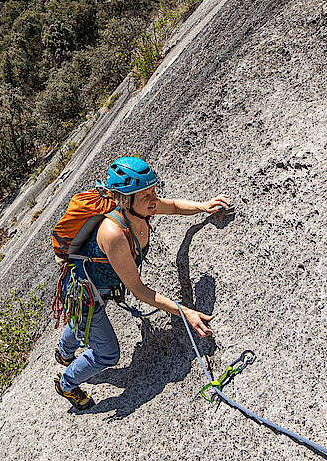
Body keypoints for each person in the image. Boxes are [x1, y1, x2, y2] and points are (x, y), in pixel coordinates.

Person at [53, 156, 231, 411]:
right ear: (126, 200)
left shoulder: (142, 207)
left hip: (95, 288)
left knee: (84, 320)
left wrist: (203, 207)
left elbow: (174, 207)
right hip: (85, 293)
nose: (153, 199)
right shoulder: (114, 233)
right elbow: (139, 290)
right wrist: (185, 312)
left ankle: (63, 351)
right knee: (107, 354)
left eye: (153, 191)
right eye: (146, 194)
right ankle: (66, 384)